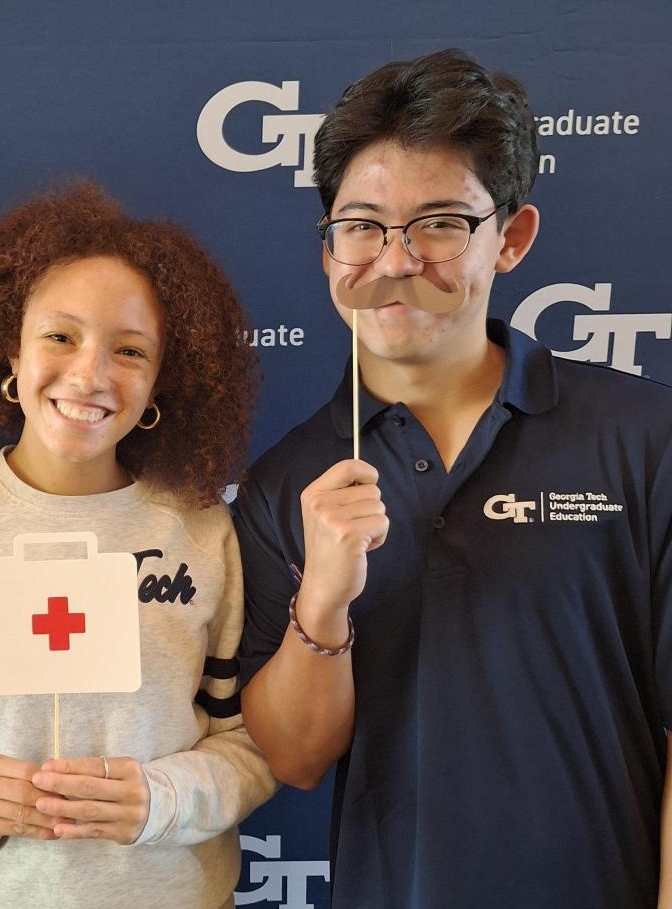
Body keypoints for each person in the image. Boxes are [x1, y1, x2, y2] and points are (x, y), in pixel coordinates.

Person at [235, 48, 672, 908]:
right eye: (360, 225)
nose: (393, 261)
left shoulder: (643, 438)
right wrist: (320, 602)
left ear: (509, 238)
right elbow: (293, 758)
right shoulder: (287, 480)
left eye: (438, 224)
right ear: (327, 247)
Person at [0, 182, 275, 909]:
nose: (89, 373)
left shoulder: (203, 531)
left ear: (158, 384)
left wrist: (163, 799)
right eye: (59, 335)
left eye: (130, 349)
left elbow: (252, 739)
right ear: (9, 352)